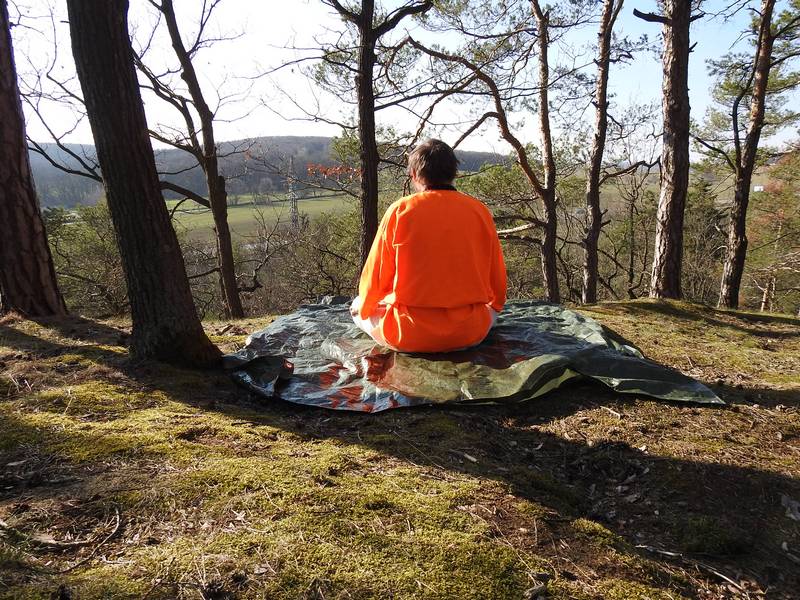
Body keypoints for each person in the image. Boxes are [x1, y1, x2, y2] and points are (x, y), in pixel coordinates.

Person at [350, 139, 506, 353]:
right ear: (454, 173)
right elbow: (496, 278)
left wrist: (366, 308)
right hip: (469, 332)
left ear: (414, 175)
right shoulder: (479, 210)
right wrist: (494, 306)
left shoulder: (400, 210)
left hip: (408, 335)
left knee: (358, 305)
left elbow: (375, 277)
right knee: (490, 311)